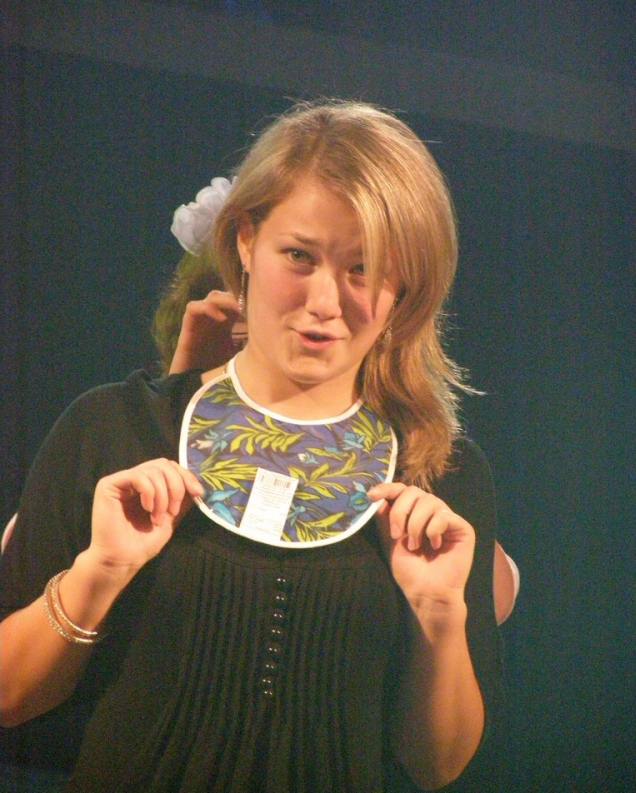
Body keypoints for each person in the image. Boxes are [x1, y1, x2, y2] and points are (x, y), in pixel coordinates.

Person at [0, 100, 505, 792]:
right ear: (244, 240)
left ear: (406, 288)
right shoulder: (114, 429)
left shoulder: (439, 478)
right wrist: (99, 572)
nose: (325, 301)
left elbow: (438, 764)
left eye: (365, 269)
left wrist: (441, 616)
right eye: (300, 256)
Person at [154, 263, 519, 626]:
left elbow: (490, 603)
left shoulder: (424, 461)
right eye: (242, 346)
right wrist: (182, 393)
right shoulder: (153, 426)